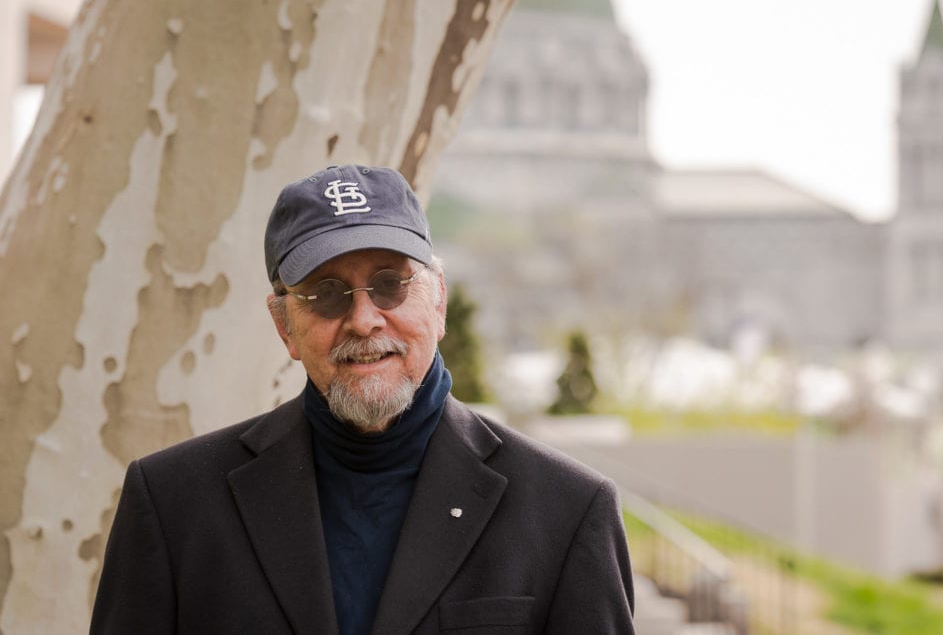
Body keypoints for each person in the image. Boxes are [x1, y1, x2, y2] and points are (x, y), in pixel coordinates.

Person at [90, 164, 635, 634]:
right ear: (284, 327)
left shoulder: (567, 513)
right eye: (325, 294)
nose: (364, 319)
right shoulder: (173, 505)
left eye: (389, 284)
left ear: (439, 300)